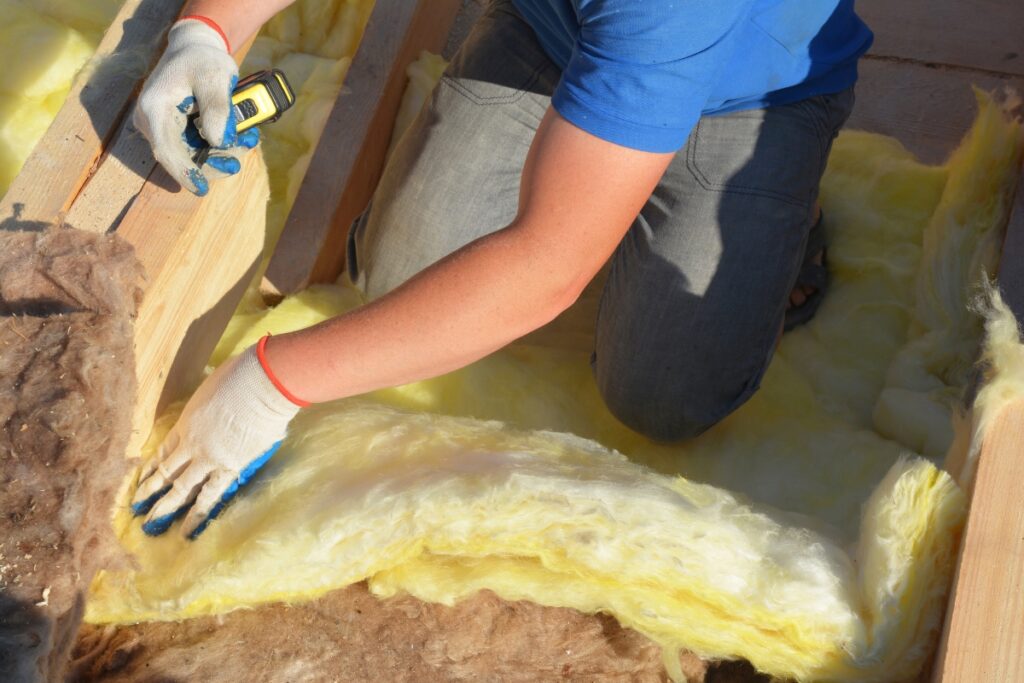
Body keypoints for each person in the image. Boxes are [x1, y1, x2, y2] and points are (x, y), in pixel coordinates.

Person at [130, 0, 873, 537]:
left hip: (746, 97)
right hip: (557, 32)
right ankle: (599, 164)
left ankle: (782, 217)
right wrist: (209, 30)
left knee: (666, 394)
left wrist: (269, 384)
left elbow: (548, 268)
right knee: (403, 282)